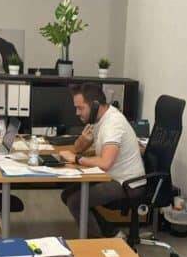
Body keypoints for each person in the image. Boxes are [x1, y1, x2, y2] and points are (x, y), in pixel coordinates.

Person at [60, 83, 146, 237]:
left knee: (76, 201)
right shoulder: (98, 119)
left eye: (80, 108)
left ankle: (98, 243)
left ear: (95, 105)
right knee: (67, 194)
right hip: (112, 176)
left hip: (127, 183)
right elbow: (77, 148)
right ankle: (112, 233)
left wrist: (77, 159)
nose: (77, 113)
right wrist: (84, 140)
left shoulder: (113, 123)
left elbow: (105, 163)